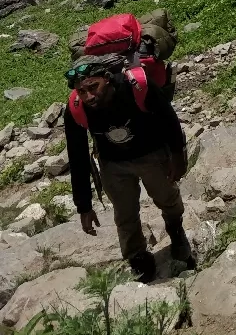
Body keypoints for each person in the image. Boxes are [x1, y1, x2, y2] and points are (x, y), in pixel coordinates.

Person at [64, 56, 191, 282]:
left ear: (108, 78)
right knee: (124, 213)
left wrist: (177, 157)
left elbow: (169, 120)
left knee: (167, 197)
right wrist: (83, 205)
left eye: (94, 87)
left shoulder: (137, 87)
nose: (89, 96)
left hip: (152, 153)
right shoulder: (75, 108)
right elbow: (77, 156)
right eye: (82, 92)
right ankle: (137, 257)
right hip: (113, 164)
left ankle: (176, 230)